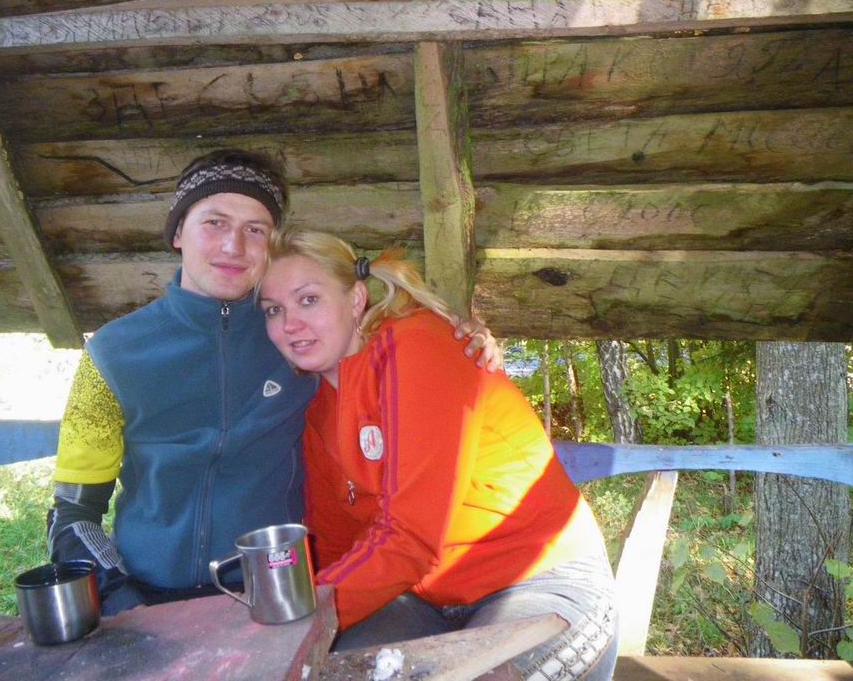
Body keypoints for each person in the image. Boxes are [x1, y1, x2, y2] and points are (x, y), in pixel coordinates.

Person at [47, 149, 498, 615]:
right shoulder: (112, 354)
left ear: (271, 246)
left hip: (273, 591)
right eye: (214, 223)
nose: (233, 246)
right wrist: (121, 598)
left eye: (255, 230)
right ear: (178, 232)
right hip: (144, 595)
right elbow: (73, 511)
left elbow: (388, 347)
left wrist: (465, 334)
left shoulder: (298, 339)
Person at [258, 228, 618, 681]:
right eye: (274, 310)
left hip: (537, 578)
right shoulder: (319, 412)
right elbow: (333, 545)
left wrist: (291, 625)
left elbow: (409, 537)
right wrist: (299, 626)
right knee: (328, 671)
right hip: (421, 601)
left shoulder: (415, 345)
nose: (289, 324)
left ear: (355, 299)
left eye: (308, 300)